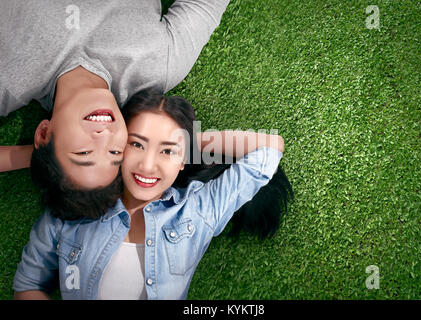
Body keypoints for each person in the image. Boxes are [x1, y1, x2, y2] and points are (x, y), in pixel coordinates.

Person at [13, 90, 287, 299]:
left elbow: (269, 149)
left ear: (183, 160)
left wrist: (189, 140)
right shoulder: (75, 203)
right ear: (118, 144)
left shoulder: (199, 210)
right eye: (137, 144)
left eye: (167, 151)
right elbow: (29, 284)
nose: (147, 165)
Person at [0, 0, 231, 218]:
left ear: (42, 133)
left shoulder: (9, 79)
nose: (104, 136)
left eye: (83, 153)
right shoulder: (158, 67)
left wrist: (39, 155)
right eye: (114, 152)